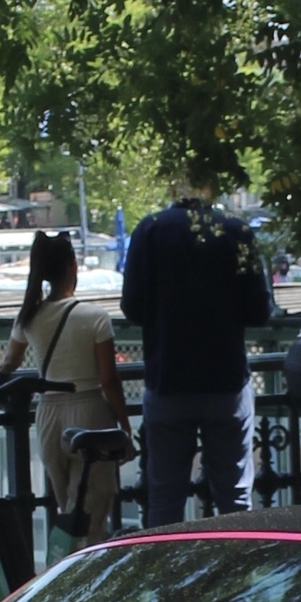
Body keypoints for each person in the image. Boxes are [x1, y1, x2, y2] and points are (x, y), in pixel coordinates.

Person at [120, 168, 273, 524]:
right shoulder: (237, 232)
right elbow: (259, 310)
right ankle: (235, 571)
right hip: (226, 381)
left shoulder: (150, 229)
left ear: (175, 185)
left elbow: (132, 306)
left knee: (165, 499)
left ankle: (168, 573)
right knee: (235, 497)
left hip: (168, 379)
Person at [0, 231, 131, 549]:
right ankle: (88, 583)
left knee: (68, 509)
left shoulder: (30, 315)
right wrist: (124, 428)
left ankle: (64, 572)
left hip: (49, 414)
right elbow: (109, 380)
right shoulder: (94, 317)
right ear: (72, 265)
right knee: (93, 516)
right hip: (89, 411)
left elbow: (9, 362)